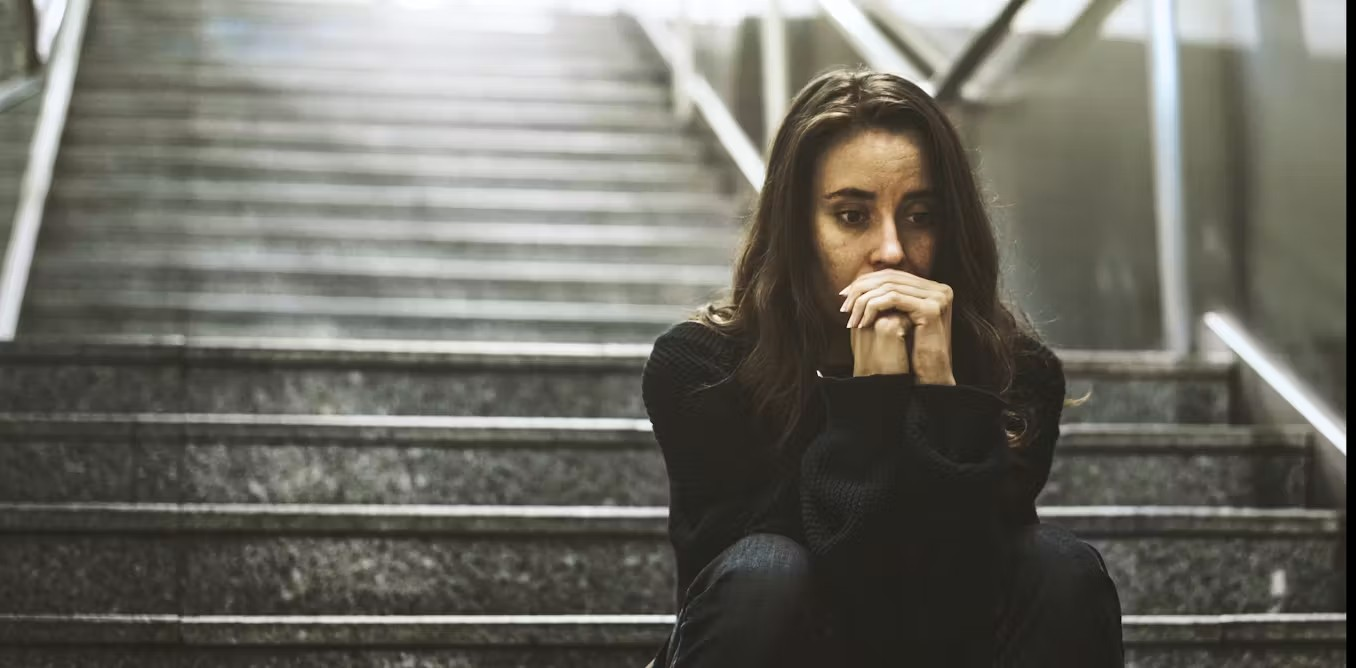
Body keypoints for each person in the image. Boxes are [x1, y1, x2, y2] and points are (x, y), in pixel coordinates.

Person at [640, 66, 1125, 667]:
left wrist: (944, 394)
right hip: (787, 645)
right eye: (852, 216)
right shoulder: (701, 368)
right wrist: (870, 396)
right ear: (797, 229)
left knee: (1061, 566)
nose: (892, 250)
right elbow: (801, 585)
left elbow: (959, 575)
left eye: (921, 216)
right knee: (768, 569)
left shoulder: (1016, 374)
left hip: (943, 644)